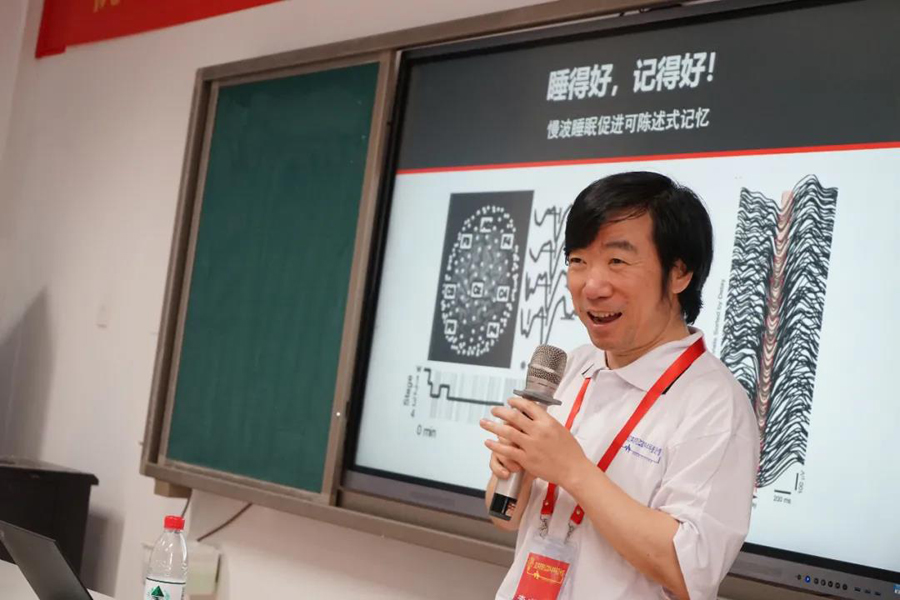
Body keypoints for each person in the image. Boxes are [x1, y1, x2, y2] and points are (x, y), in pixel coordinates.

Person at [481, 171, 759, 600]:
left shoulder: (716, 404)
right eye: (578, 261)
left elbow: (688, 570)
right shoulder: (575, 365)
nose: (592, 286)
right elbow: (506, 517)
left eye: (617, 261)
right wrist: (514, 468)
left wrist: (572, 470)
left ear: (679, 272)